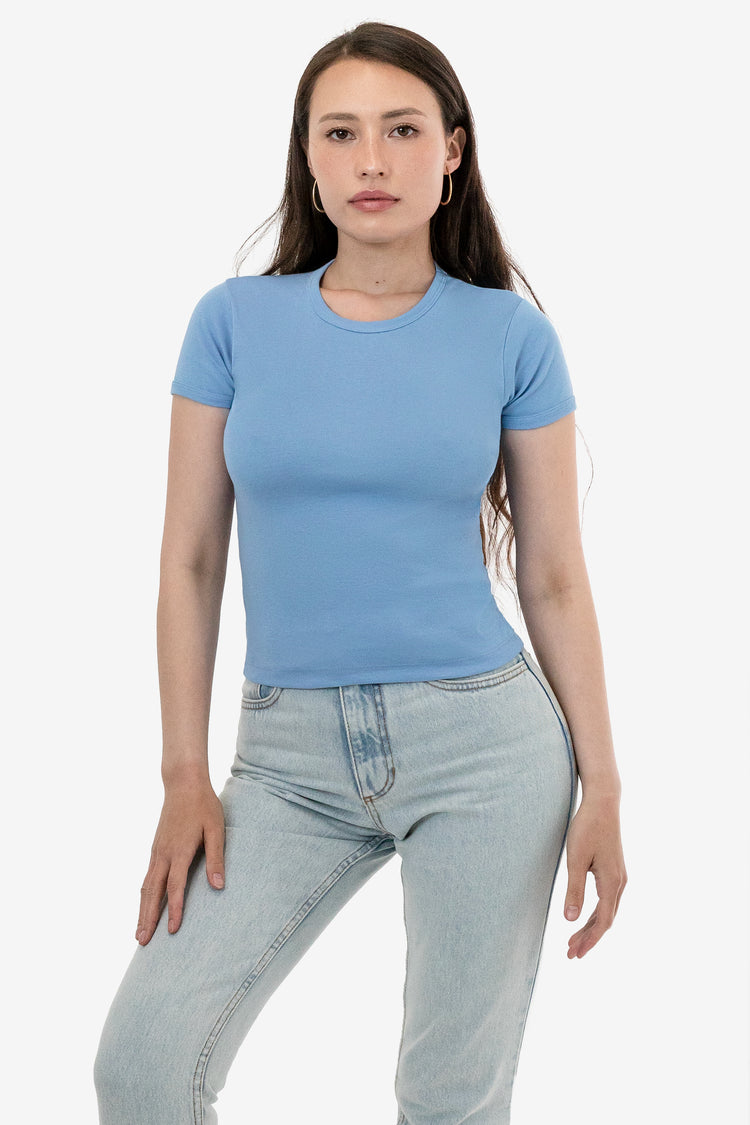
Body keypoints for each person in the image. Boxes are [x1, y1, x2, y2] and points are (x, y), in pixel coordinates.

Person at [93, 20, 627, 1125]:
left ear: (452, 151)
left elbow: (555, 579)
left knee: (448, 1100)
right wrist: (183, 773)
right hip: (284, 759)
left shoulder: (511, 337)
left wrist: (606, 787)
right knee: (143, 1067)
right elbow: (189, 559)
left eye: (402, 130)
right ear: (307, 155)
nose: (370, 161)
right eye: (340, 133)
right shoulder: (232, 323)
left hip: (485, 750)